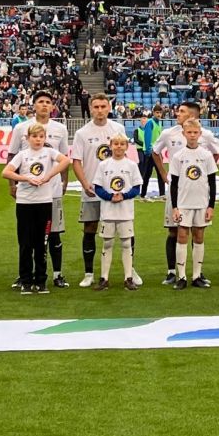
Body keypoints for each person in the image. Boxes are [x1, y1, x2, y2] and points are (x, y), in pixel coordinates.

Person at [71, 93, 139, 287]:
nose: (100, 110)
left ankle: (130, 271)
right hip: (94, 190)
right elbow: (76, 161)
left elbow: (126, 156)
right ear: (91, 108)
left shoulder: (118, 128)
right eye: (96, 107)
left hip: (118, 192)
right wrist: (85, 184)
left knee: (126, 231)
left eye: (103, 106)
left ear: (109, 108)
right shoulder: (82, 133)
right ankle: (89, 273)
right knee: (90, 228)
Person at [152, 102, 219, 285]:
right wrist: (164, 174)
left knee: (198, 233)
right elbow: (155, 151)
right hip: (178, 193)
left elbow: (217, 152)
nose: (177, 113)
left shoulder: (205, 134)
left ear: (192, 116)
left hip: (198, 194)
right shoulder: (169, 133)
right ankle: (172, 272)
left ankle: (197, 273)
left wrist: (207, 169)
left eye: (182, 111)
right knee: (174, 231)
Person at [7, 90, 71, 289]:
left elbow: (64, 157)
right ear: (34, 105)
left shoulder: (60, 128)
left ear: (53, 106)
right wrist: (12, 184)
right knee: (26, 236)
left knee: (53, 233)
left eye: (48, 102)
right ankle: (24, 275)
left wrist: (64, 182)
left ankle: (57, 274)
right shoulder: (21, 128)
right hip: (28, 192)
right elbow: (11, 155)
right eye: (40, 101)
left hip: (51, 191)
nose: (44, 105)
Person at [169, 119, 218, 289]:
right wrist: (174, 207)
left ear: (200, 134)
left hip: (202, 204)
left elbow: (212, 182)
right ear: (184, 134)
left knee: (199, 237)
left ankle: (197, 275)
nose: (192, 135)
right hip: (183, 203)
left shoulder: (206, 155)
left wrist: (211, 206)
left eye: (195, 132)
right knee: (182, 237)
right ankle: (181, 277)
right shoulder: (178, 156)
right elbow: (173, 183)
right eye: (189, 132)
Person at [92, 134, 143, 291]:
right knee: (107, 243)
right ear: (111, 145)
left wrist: (123, 196)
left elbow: (137, 188)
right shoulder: (103, 165)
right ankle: (104, 278)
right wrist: (109, 197)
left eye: (122, 144)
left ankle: (128, 278)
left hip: (125, 212)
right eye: (116, 144)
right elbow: (98, 187)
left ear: (127, 146)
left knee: (127, 244)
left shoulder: (132, 165)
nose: (119, 147)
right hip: (108, 212)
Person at [141, 105, 165, 199]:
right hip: (151, 152)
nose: (159, 114)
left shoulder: (159, 123)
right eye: (157, 112)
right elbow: (147, 137)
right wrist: (148, 151)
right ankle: (143, 194)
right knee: (147, 174)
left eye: (160, 113)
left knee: (160, 172)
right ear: (153, 112)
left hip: (157, 152)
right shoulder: (150, 122)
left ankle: (162, 194)